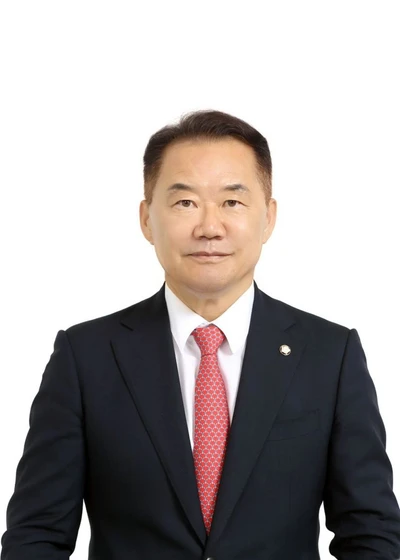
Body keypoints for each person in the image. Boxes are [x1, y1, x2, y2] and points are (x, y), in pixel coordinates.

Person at [2, 110, 400, 560]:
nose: (209, 227)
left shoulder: (330, 355)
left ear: (268, 218)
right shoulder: (86, 357)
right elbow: (36, 537)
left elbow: (371, 534)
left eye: (232, 202)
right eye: (185, 203)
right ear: (147, 219)